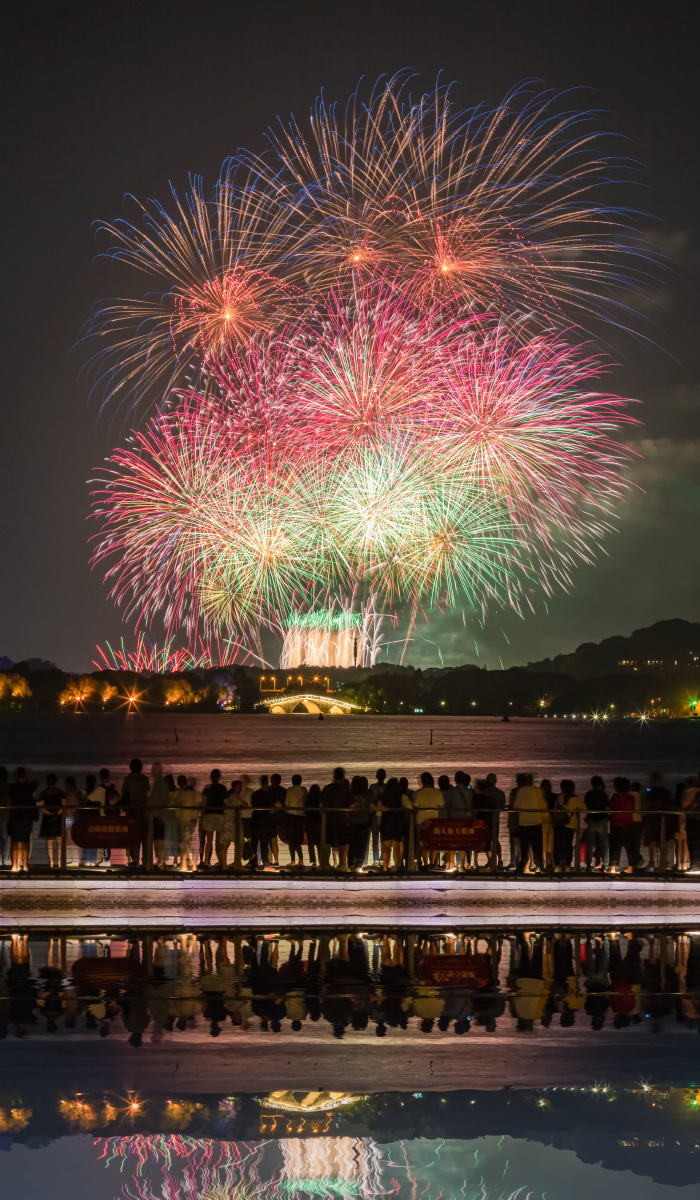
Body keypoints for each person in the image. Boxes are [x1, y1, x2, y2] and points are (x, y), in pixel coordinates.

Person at [511, 775, 548, 873]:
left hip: (524, 822)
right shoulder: (538, 791)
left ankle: (522, 865)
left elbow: (516, 806)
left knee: (524, 846)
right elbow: (542, 805)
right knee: (537, 846)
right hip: (536, 821)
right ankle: (540, 865)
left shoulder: (521, 791)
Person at [411, 771, 445, 869]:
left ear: (422, 781)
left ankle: (425, 864)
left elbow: (415, 807)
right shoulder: (438, 793)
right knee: (433, 843)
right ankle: (433, 863)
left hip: (421, 822)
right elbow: (442, 807)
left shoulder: (418, 793)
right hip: (434, 822)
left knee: (423, 844)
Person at [321, 767, 352, 871]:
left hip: (329, 819)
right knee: (343, 843)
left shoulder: (327, 789)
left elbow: (321, 805)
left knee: (327, 842)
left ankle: (325, 864)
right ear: (343, 776)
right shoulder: (347, 790)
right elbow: (351, 805)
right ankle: (342, 865)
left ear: (333, 776)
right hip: (343, 820)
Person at [8, 768, 38, 873]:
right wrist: (30, 774)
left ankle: (14, 865)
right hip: (26, 816)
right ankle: (25, 866)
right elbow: (36, 781)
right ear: (25, 775)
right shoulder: (29, 787)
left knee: (15, 841)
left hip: (15, 816)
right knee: (25, 841)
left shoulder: (12, 787)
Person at [551, 780, 586, 872]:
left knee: (557, 845)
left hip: (558, 824)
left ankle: (557, 865)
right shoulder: (575, 799)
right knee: (568, 845)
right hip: (570, 826)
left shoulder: (558, 797)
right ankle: (567, 865)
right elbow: (585, 808)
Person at [120, 758, 150, 867]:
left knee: (134, 836)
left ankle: (135, 860)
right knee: (145, 837)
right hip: (144, 811)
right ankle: (146, 861)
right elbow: (146, 793)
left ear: (131, 768)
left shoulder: (127, 779)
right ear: (141, 768)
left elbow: (124, 794)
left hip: (132, 812)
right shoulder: (145, 779)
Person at [376, 777, 407, 872]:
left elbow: (378, 812)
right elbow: (409, 807)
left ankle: (385, 867)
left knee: (386, 846)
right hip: (398, 822)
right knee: (396, 846)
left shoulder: (382, 796)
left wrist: (379, 823)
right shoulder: (401, 796)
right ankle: (396, 866)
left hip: (385, 823)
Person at [608, 777, 637, 873]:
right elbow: (632, 809)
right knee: (629, 846)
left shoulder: (615, 796)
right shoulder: (631, 797)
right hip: (629, 823)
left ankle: (613, 867)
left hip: (616, 823)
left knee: (615, 846)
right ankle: (631, 867)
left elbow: (611, 808)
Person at [172, 774, 200, 871]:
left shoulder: (179, 792)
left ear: (178, 783)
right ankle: (192, 865)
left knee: (184, 842)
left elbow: (176, 804)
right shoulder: (192, 791)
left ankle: (184, 865)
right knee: (191, 841)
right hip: (193, 818)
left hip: (184, 819)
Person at [201, 768, 227, 869]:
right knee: (219, 841)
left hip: (209, 814)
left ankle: (206, 861)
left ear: (211, 777)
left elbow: (204, 803)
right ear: (219, 777)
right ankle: (220, 861)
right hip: (220, 815)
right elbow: (225, 803)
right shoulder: (223, 788)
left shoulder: (207, 788)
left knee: (209, 841)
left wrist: (202, 815)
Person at [38, 774, 65, 868]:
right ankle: (60, 862)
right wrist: (57, 813)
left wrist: (49, 813)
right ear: (55, 781)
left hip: (47, 818)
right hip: (59, 817)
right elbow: (63, 805)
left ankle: (51, 862)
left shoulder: (43, 793)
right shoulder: (61, 792)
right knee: (59, 841)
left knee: (49, 841)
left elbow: (42, 806)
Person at [148, 762, 171, 869]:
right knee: (158, 840)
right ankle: (160, 861)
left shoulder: (159, 784)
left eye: (154, 770)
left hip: (159, 815)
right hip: (158, 815)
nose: (153, 772)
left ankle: (160, 861)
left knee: (159, 840)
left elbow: (162, 800)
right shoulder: (159, 783)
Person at [584, 776, 609, 872]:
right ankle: (605, 865)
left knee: (590, 845)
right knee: (604, 844)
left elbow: (587, 805)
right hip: (602, 820)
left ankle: (588, 866)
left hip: (591, 820)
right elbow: (607, 806)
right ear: (601, 784)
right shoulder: (603, 795)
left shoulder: (588, 794)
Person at [284, 774, 308, 868]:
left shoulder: (289, 790)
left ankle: (292, 860)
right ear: (300, 781)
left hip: (290, 816)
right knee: (298, 838)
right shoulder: (304, 790)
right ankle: (301, 860)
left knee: (291, 839)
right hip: (301, 816)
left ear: (292, 781)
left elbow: (286, 803)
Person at [348, 775, 371, 871]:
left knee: (352, 844)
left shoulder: (350, 794)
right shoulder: (368, 794)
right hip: (365, 822)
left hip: (352, 822)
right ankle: (359, 865)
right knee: (362, 845)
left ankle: (350, 864)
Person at [368, 769, 387, 864]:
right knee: (383, 838)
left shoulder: (372, 787)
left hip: (374, 814)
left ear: (376, 776)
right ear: (385, 777)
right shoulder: (387, 787)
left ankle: (375, 859)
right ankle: (382, 859)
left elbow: (370, 801)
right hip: (384, 815)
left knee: (375, 837)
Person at [305, 783, 322, 868]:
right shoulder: (320, 799)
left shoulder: (308, 799)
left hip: (309, 823)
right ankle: (321, 860)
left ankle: (313, 861)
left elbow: (305, 811)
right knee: (319, 843)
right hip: (319, 823)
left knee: (310, 843)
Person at [0, 766, 10, 867]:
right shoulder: (8, 787)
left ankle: (2, 859)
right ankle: (5, 859)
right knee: (5, 838)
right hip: (5, 816)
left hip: (4, 816)